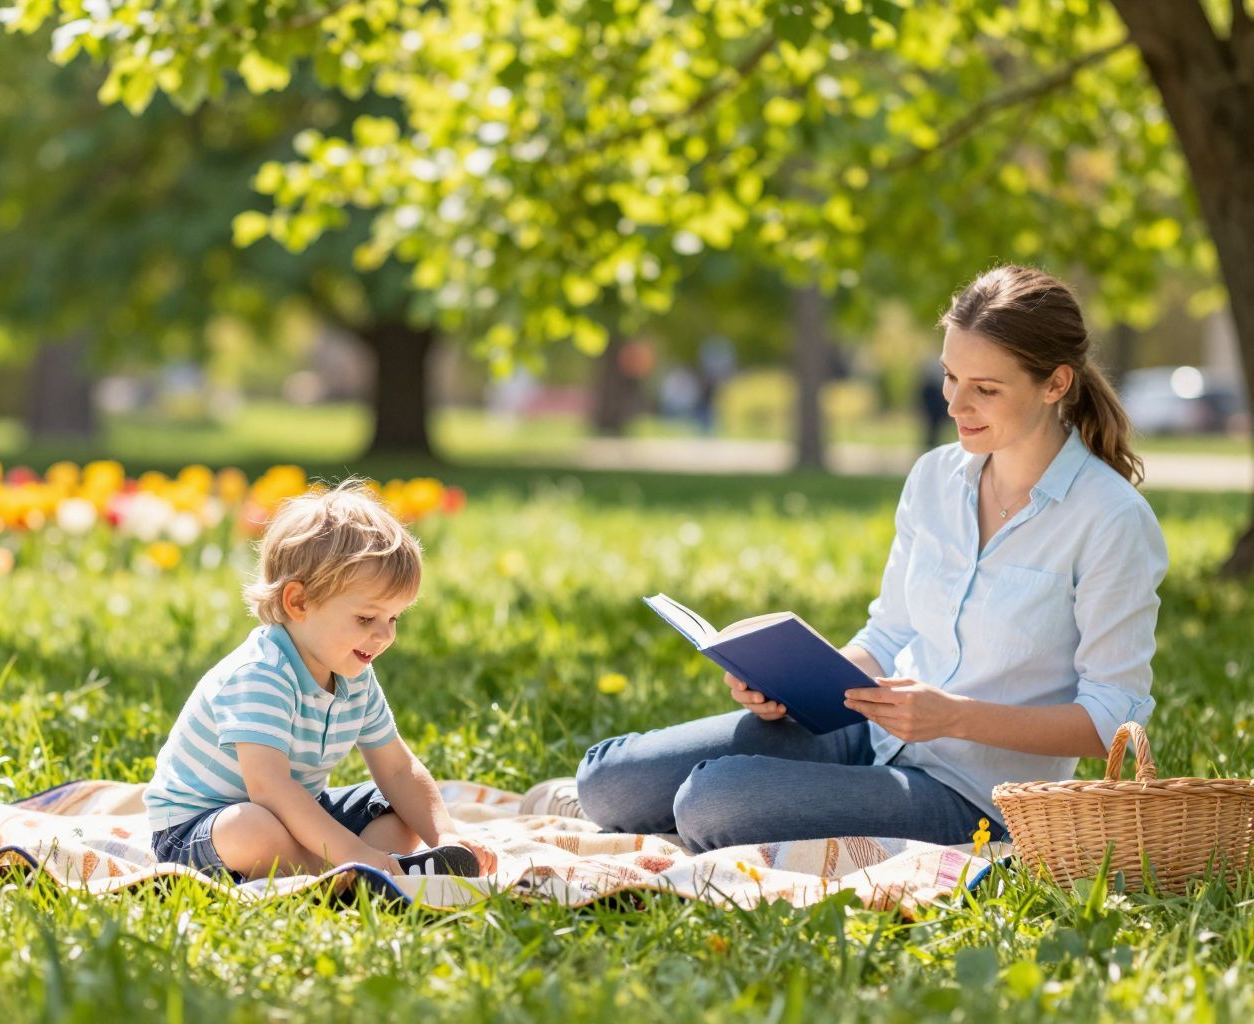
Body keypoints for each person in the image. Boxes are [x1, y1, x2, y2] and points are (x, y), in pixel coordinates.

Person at [575, 265, 1167, 850]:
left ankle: (825, 797)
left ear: (1056, 384)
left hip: (974, 797)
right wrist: (794, 682)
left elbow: (1111, 718)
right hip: (869, 732)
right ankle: (832, 790)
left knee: (713, 800)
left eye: (985, 389)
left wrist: (952, 716)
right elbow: (888, 634)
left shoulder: (1111, 519)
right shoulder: (935, 477)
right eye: (949, 377)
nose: (956, 404)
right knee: (607, 784)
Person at [145, 480, 498, 881]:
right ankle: (349, 870)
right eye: (366, 618)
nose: (384, 636)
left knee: (396, 807)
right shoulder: (261, 674)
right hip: (199, 828)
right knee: (251, 827)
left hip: (298, 814)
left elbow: (399, 771)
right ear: (298, 602)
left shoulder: (355, 675)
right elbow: (271, 790)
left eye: (393, 618)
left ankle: (352, 870)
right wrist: (352, 849)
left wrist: (446, 836)